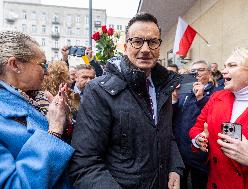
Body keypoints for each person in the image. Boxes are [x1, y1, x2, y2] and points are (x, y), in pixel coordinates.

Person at [69, 12, 185, 189]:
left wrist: (175, 167)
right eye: (137, 41)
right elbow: (85, 163)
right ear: (126, 46)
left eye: (152, 42)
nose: (145, 49)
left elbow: (166, 135)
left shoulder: (163, 88)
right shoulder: (99, 91)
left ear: (159, 46)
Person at [189, 47, 248, 189]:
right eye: (224, 66)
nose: (223, 71)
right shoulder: (217, 98)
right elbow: (197, 127)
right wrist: (198, 139)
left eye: (232, 65)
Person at [0, 31, 74, 188]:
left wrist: (64, 120)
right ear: (15, 65)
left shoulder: (30, 97)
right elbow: (15, 185)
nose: (46, 71)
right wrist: (54, 131)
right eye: (42, 65)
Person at [173, 60, 222, 189]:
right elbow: (174, 116)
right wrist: (174, 99)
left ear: (209, 72)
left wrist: (201, 97)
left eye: (200, 70)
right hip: (181, 151)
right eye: (193, 71)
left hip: (200, 153)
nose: (196, 73)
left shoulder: (216, 93)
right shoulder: (184, 92)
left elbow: (215, 116)